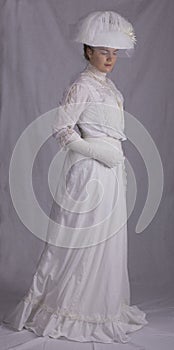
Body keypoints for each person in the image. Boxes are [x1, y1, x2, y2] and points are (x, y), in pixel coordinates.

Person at [2, 11, 148, 343]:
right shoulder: (81, 85)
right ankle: (73, 310)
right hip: (89, 172)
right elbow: (62, 129)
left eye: (113, 52)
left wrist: (116, 160)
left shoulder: (109, 87)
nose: (110, 58)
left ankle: (103, 305)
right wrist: (98, 152)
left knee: (108, 242)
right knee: (85, 239)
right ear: (87, 52)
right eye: (102, 51)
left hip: (112, 171)